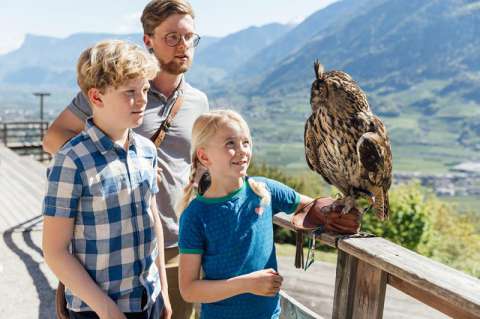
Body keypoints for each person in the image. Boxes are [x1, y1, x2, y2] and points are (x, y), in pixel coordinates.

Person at [42, 1, 209, 318]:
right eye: (172, 37)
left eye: (189, 37)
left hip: (170, 251)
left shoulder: (195, 104)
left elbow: (196, 173)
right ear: (149, 39)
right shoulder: (107, 87)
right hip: (102, 273)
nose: (183, 45)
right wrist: (104, 168)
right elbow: (55, 247)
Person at [177, 110, 360, 319]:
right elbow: (189, 289)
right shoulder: (195, 215)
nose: (242, 151)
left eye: (246, 142)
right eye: (230, 144)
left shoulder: (264, 190)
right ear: (204, 156)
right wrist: (247, 284)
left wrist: (335, 212)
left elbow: (310, 205)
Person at [42, 40, 171, 319]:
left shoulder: (147, 152)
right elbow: (55, 250)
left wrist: (164, 292)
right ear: (97, 98)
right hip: (96, 310)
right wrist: (107, 310)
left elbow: (153, 220)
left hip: (149, 301)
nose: (142, 100)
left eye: (145, 89)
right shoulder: (71, 160)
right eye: (130, 92)